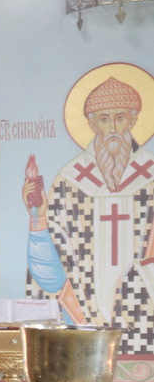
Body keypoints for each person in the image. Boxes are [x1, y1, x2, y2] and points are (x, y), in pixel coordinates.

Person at [24, 75, 154, 353]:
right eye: (104, 119)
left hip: (142, 309)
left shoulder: (151, 177)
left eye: (121, 118)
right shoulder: (71, 180)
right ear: (92, 124)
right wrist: (38, 218)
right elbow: (51, 269)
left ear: (134, 120)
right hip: (84, 307)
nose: (114, 128)